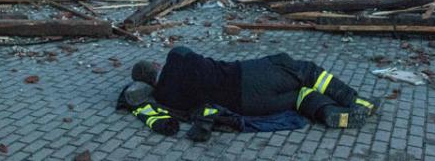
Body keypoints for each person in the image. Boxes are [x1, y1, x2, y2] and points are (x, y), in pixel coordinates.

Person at [124, 47, 376, 137]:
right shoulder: (175, 56)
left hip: (247, 108)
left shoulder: (165, 98)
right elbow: (190, 55)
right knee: (304, 71)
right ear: (155, 66)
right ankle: (356, 100)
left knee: (298, 97)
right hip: (247, 76)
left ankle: (331, 113)